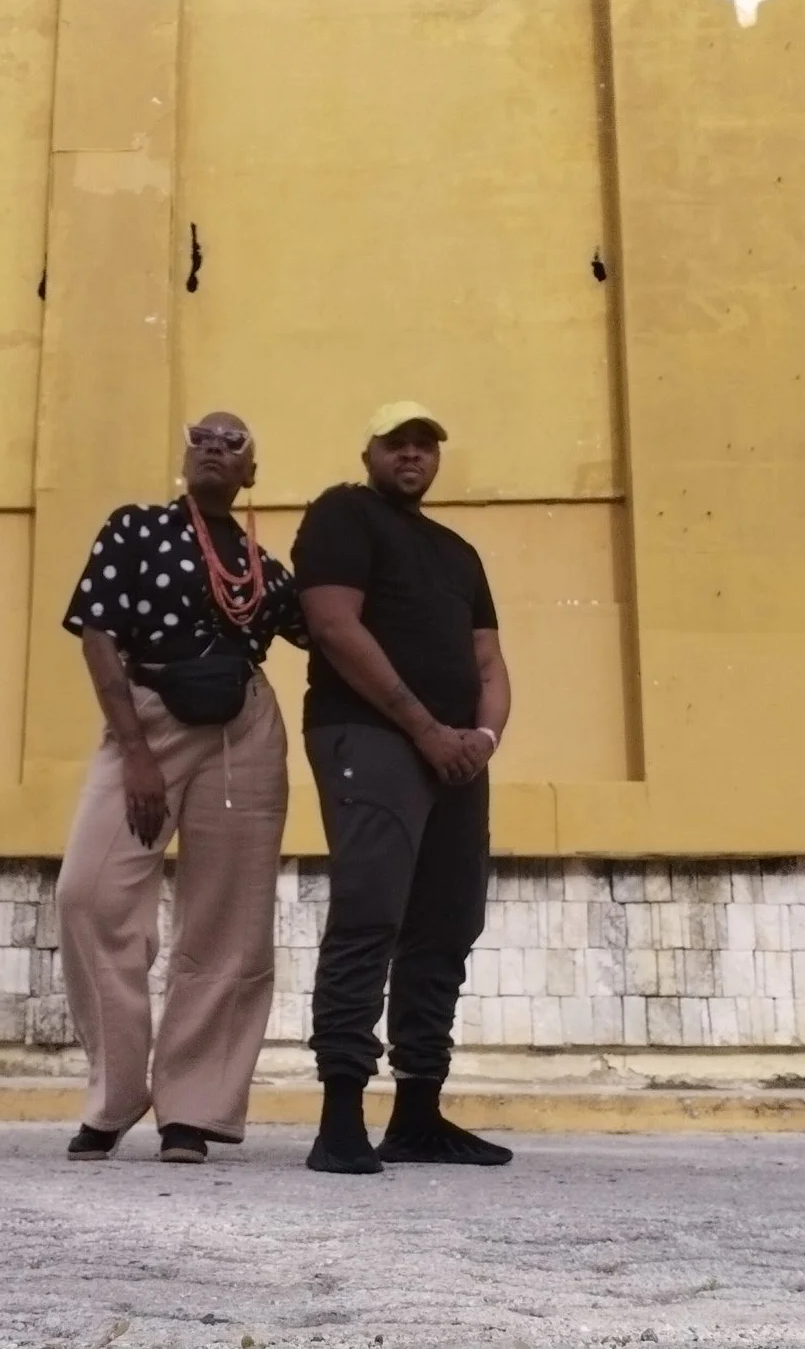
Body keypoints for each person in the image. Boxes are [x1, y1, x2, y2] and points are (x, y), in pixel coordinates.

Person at [54, 410, 305, 1165]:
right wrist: (134, 752)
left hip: (244, 730)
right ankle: (117, 1091)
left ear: (251, 473)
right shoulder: (135, 529)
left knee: (228, 919)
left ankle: (193, 1110)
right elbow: (98, 633)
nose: (215, 450)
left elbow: (325, 625)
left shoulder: (264, 566)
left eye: (234, 444)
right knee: (89, 893)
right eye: (203, 439)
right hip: (149, 717)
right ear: (183, 456)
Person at [290, 401, 513, 1174]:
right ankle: (340, 1114)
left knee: (448, 922)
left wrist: (480, 741)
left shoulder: (457, 552)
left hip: (456, 755)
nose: (412, 456)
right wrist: (424, 728)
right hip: (373, 736)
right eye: (397, 444)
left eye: (425, 446)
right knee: (370, 912)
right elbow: (334, 626)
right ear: (370, 451)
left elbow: (489, 663)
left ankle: (419, 1110)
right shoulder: (342, 516)